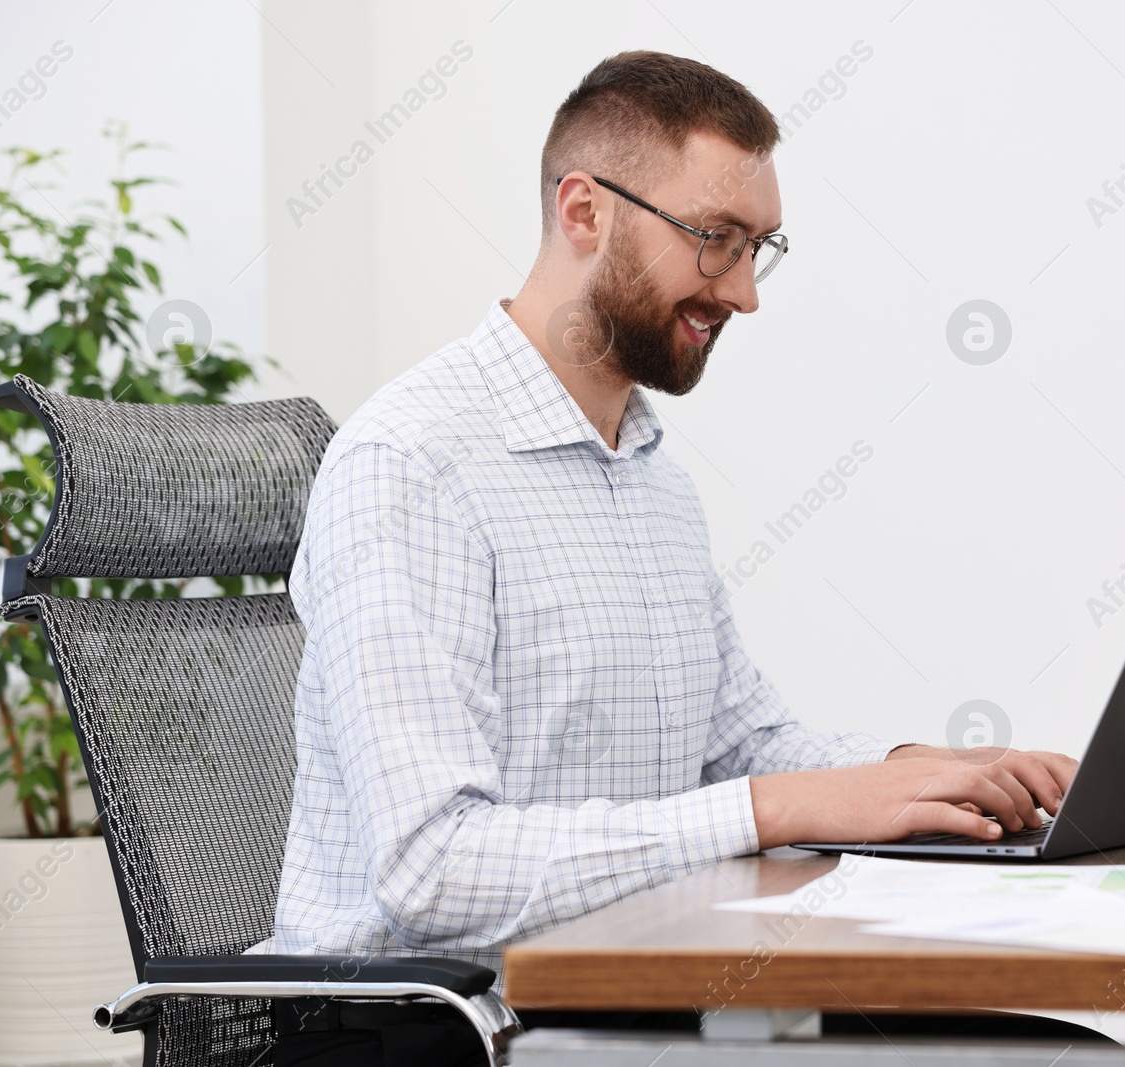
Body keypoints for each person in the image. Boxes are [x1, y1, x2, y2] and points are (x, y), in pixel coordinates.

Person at [270, 50, 1079, 1065]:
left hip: (622, 1002)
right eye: (714, 240)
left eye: (758, 247)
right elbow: (434, 870)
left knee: (1041, 1043)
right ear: (583, 212)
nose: (743, 292)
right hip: (430, 1030)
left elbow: (739, 744)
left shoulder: (649, 470)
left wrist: (924, 772)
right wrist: (782, 807)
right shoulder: (410, 465)